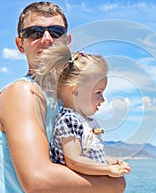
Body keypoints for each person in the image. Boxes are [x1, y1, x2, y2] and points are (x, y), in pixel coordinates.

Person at [0, 1, 126, 192]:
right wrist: (114, 184)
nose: (46, 38)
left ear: (67, 41)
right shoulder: (23, 93)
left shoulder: (62, 102)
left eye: (55, 32)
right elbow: (39, 180)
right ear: (20, 44)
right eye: (34, 32)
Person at [35, 46, 131, 177]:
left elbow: (90, 156)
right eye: (98, 92)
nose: (102, 99)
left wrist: (111, 162)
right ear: (75, 91)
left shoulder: (85, 122)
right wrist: (108, 169)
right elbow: (75, 161)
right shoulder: (68, 120)